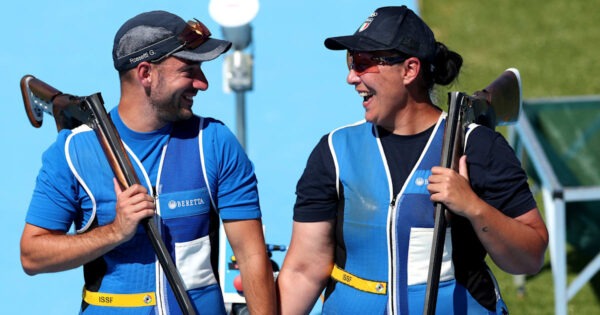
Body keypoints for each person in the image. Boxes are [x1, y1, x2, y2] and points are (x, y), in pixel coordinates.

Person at [276, 5, 548, 315]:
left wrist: (473, 207)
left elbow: (530, 256)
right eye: (351, 62)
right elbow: (304, 270)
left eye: (364, 63)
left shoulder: (479, 147)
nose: (351, 77)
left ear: (409, 70)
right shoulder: (334, 151)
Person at [20, 10, 276, 315]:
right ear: (145, 74)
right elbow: (32, 256)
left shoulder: (215, 141)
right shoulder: (72, 151)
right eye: (189, 69)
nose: (202, 83)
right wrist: (116, 230)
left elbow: (251, 256)